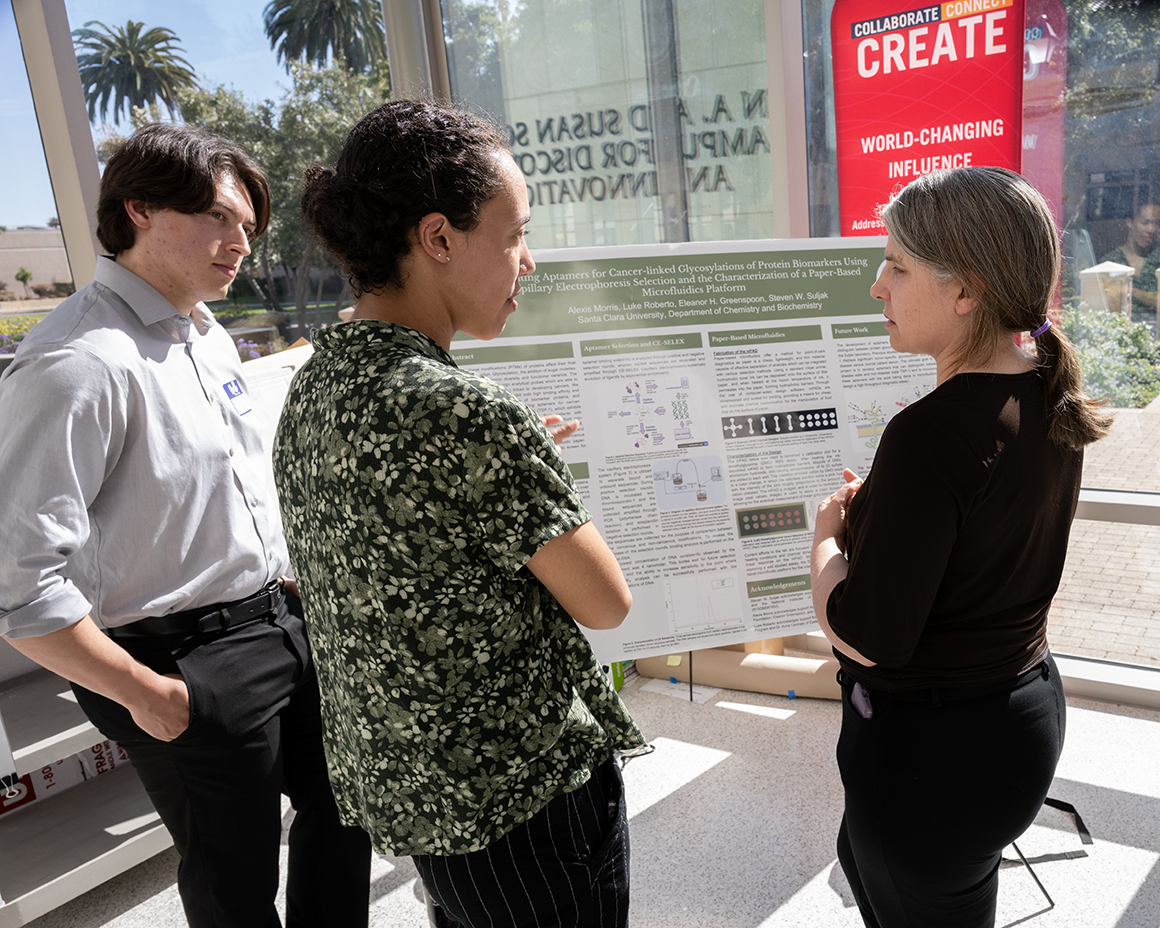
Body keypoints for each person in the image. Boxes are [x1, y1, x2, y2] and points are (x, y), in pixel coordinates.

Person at [272, 100, 645, 928]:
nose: (529, 262)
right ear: (438, 238)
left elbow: (399, 537)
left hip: (421, 795)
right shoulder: (464, 411)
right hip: (523, 797)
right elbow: (606, 602)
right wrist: (524, 465)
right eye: (514, 234)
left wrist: (510, 474)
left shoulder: (315, 387)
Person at [0, 123, 371, 928]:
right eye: (219, 219)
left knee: (348, 812)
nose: (241, 244)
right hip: (180, 657)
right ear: (138, 208)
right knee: (234, 878)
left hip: (279, 619)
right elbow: (20, 586)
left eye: (249, 226)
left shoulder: (203, 332)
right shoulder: (77, 362)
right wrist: (151, 696)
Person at [810, 167, 1111, 928]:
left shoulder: (930, 433)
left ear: (966, 291)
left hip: (932, 760)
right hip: (1019, 719)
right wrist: (883, 515)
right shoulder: (1047, 386)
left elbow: (870, 635)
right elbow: (978, 541)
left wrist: (826, 542)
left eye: (898, 265)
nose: (878, 285)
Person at [1100, 201, 1160, 314]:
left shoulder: (1158, 259)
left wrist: (1129, 291)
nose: (1151, 230)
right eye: (1145, 223)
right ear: (1130, 222)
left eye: (1156, 224)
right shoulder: (1110, 262)